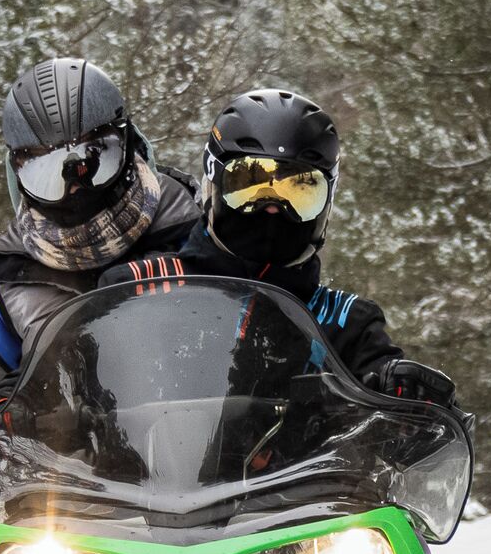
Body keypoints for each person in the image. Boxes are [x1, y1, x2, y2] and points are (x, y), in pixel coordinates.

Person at [111, 87, 455, 404]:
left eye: (299, 190)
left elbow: (398, 410)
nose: (272, 207)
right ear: (213, 186)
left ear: (326, 203)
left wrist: (406, 394)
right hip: (153, 469)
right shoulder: (141, 288)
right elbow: (83, 389)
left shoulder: (345, 323)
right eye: (249, 183)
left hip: (302, 472)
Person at [0, 57, 202, 407]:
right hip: (77, 461)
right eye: (47, 172)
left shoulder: (191, 222)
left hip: (208, 446)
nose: (75, 187)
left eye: (94, 159)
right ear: (17, 175)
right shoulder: (3, 282)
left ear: (128, 143)